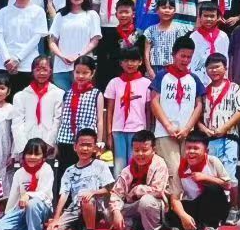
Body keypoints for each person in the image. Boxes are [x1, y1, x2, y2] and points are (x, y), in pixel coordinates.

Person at [46, 127, 114, 230]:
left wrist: (93, 192)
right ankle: (81, 229)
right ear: (75, 147)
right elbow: (64, 195)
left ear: (95, 148)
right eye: (82, 145)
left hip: (94, 207)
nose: (85, 149)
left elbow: (108, 190)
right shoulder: (69, 171)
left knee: (86, 199)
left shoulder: (100, 165)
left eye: (89, 145)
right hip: (75, 208)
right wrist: (56, 219)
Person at [151, 36, 205, 177]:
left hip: (187, 133)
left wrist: (188, 128)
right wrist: (168, 126)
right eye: (182, 56)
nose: (185, 60)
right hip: (165, 132)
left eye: (189, 57)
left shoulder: (193, 78)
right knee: (172, 171)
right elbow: (154, 101)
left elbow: (199, 105)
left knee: (187, 171)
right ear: (174, 54)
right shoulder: (162, 76)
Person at [169, 130, 231, 230]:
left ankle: (212, 229)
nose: (191, 152)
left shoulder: (213, 162)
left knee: (213, 188)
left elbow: (228, 185)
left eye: (196, 148)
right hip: (195, 204)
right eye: (188, 148)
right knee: (171, 214)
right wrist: (183, 216)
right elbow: (175, 198)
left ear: (206, 151)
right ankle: (195, 227)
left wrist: (207, 178)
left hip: (216, 204)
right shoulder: (181, 167)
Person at [109, 131, 170, 230]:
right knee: (110, 211)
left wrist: (136, 190)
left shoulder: (160, 165)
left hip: (156, 206)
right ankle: (139, 227)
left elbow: (157, 190)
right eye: (136, 150)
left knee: (146, 201)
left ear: (153, 149)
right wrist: (116, 212)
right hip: (134, 205)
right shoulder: (127, 170)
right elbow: (116, 193)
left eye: (144, 150)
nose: (140, 154)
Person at [0, 137, 55, 230]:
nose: (32, 157)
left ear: (44, 157)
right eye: (29, 153)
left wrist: (28, 195)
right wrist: (8, 214)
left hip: (42, 208)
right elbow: (14, 197)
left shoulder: (46, 169)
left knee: (32, 203)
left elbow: (45, 194)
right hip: (22, 209)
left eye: (37, 154)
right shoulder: (19, 173)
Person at [102, 47, 151, 176]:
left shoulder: (146, 83)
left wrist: (148, 132)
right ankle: (119, 188)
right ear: (121, 63)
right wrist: (109, 134)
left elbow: (148, 111)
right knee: (119, 165)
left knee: (134, 163)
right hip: (118, 130)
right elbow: (110, 110)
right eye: (126, 60)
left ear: (140, 62)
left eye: (133, 60)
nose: (130, 64)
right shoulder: (114, 83)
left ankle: (133, 187)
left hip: (138, 130)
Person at [54, 57, 104, 184]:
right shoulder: (68, 93)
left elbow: (99, 120)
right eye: (77, 72)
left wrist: (98, 142)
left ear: (92, 73)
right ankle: (64, 197)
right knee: (64, 174)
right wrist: (56, 142)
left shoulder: (96, 94)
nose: (80, 76)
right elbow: (62, 118)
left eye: (85, 72)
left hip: (86, 141)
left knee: (85, 175)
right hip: (66, 139)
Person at [48, 0, 102, 90]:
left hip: (84, 67)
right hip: (61, 67)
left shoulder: (91, 15)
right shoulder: (60, 15)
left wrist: (79, 56)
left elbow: (95, 40)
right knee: (62, 98)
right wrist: (62, 56)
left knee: (82, 98)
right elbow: (52, 41)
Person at [11, 56, 63, 168]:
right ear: (32, 71)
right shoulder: (21, 96)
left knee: (46, 174)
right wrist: (24, 147)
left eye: (45, 69)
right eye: (38, 69)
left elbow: (58, 120)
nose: (41, 73)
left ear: (51, 71)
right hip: (27, 139)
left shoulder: (59, 94)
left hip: (48, 141)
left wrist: (49, 143)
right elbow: (17, 123)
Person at [144, 0, 191, 78]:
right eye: (163, 7)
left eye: (170, 8)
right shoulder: (150, 30)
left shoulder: (179, 29)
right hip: (156, 68)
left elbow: (183, 50)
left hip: (174, 67)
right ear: (157, 10)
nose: (167, 11)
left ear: (174, 11)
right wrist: (149, 69)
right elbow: (146, 52)